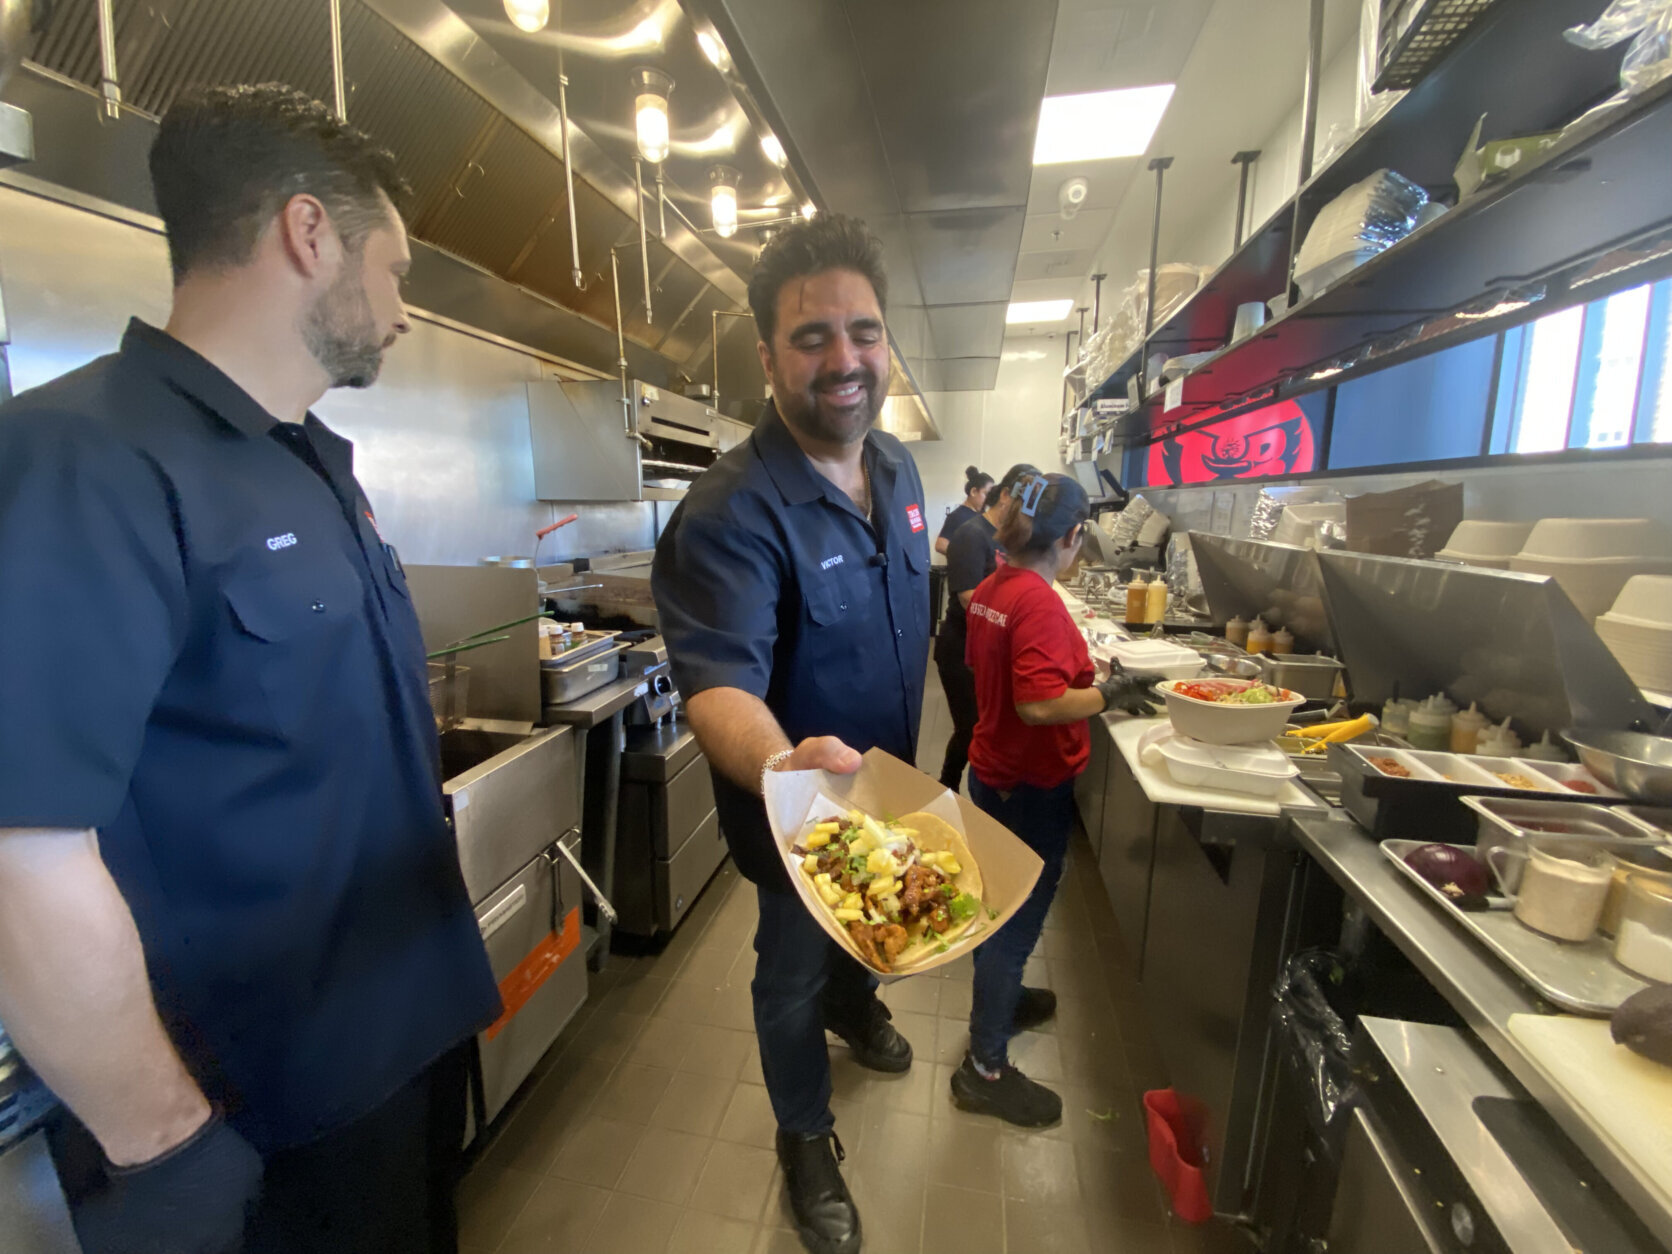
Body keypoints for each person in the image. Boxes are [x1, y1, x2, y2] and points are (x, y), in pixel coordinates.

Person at [0, 85, 501, 1253]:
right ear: (308, 234)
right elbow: (23, 850)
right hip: (254, 1117)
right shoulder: (83, 460)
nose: (404, 309)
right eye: (397, 268)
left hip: (403, 1045)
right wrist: (167, 1148)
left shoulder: (312, 462)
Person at [652, 214, 929, 1254]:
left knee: (861, 938)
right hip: (802, 809)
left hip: (887, 786)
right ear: (766, 357)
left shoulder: (896, 471)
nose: (845, 359)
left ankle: (856, 1009)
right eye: (812, 338)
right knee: (790, 968)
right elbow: (717, 685)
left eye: (862, 330)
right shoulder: (730, 511)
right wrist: (783, 765)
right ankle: (803, 1137)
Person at [951, 473, 1160, 1127]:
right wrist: (1109, 696)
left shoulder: (994, 587)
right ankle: (984, 1069)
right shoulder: (1036, 601)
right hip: (1025, 786)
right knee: (1014, 925)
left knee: (995, 911)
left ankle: (1000, 1004)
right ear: (1072, 536)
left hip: (994, 772)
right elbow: (1038, 702)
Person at [933, 461, 1037, 792]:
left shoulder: (1009, 538)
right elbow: (968, 597)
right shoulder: (971, 534)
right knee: (971, 726)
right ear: (1004, 494)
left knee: (982, 724)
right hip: (961, 646)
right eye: (1023, 503)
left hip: (988, 646)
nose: (1025, 512)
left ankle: (970, 791)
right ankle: (946, 787)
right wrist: (1017, 612)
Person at [934, 465, 992, 555]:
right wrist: (966, 556)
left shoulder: (984, 515)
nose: (989, 499)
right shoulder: (957, 516)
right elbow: (940, 545)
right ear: (974, 492)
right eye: (986, 494)